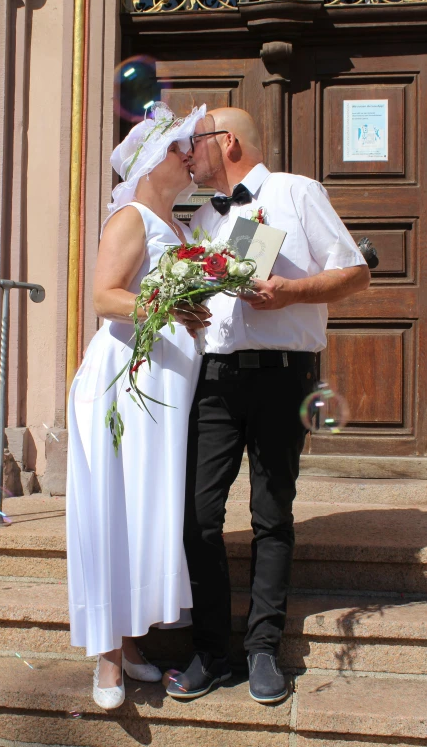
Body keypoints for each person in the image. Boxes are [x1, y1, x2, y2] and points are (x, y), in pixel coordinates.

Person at [167, 107, 370, 704]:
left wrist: (289, 294)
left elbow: (355, 274)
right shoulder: (203, 217)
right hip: (215, 379)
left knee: (271, 514)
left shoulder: (296, 192)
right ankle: (210, 650)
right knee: (198, 517)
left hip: (283, 376)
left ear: (227, 142)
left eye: (195, 143)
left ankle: (262, 650)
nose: (188, 155)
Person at [66, 102, 206, 710]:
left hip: (163, 391)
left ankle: (130, 643)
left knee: (147, 511)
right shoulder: (130, 217)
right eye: (181, 148)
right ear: (153, 160)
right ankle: (105, 659)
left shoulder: (179, 227)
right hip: (125, 382)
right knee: (114, 511)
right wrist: (168, 309)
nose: (191, 157)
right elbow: (103, 295)